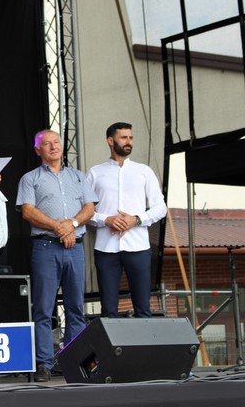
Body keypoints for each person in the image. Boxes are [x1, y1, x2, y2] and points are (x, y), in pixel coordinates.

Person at [16, 129, 97, 382]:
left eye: (56, 142)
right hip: (45, 247)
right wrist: (59, 228)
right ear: (37, 150)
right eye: (46, 143)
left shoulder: (78, 176)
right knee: (43, 308)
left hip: (75, 248)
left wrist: (71, 225)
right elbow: (28, 211)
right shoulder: (30, 178)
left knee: (76, 308)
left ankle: (76, 363)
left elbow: (90, 208)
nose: (53, 146)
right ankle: (44, 363)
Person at [86, 122, 167, 318]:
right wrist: (107, 220)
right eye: (124, 138)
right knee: (108, 311)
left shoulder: (143, 171)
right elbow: (84, 211)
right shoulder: (95, 173)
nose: (129, 142)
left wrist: (136, 219)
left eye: (131, 138)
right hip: (106, 249)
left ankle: (145, 340)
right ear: (110, 141)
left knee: (143, 309)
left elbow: (160, 208)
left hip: (138, 247)